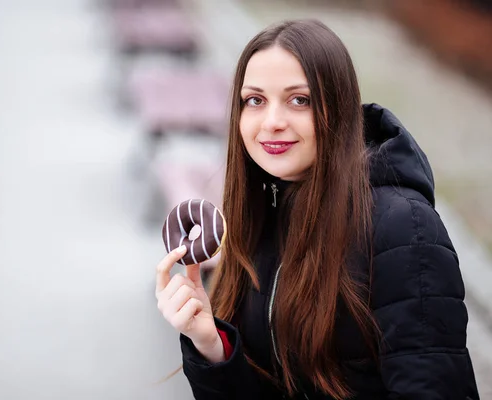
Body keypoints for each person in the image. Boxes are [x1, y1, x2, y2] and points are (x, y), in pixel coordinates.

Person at [154, 19, 480, 399]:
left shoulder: (404, 228)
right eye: (255, 100)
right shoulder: (262, 216)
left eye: (299, 100)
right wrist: (211, 344)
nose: (272, 122)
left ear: (338, 107)